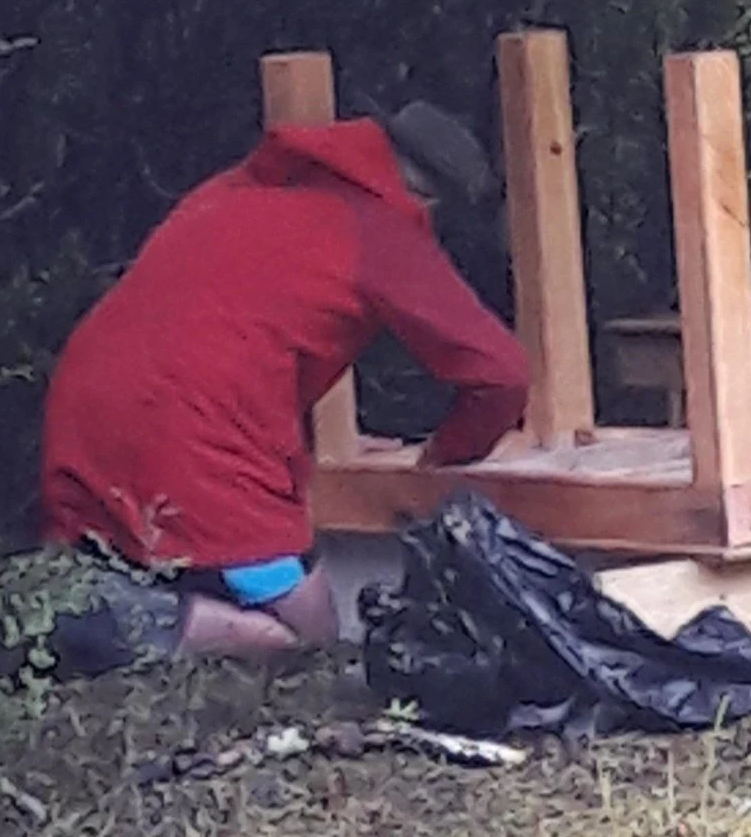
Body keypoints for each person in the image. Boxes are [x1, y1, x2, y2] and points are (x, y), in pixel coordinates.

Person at [39, 98, 528, 669]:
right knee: (307, 641)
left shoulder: (243, 188)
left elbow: (234, 329)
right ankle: (163, 625)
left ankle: (61, 605)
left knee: (118, 540)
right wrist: (445, 453)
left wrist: (300, 448)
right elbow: (501, 374)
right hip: (188, 433)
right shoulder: (380, 230)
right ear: (432, 199)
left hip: (86, 402)